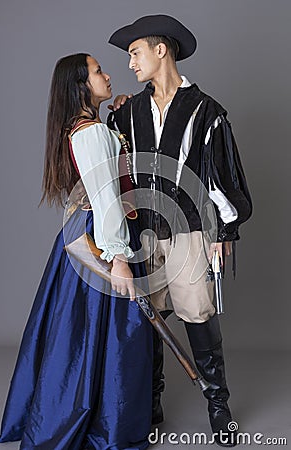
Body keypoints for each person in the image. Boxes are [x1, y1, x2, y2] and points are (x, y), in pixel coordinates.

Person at [107, 15, 252, 447]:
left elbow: (221, 176)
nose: (130, 64)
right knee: (150, 320)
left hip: (190, 231)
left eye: (134, 53)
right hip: (144, 233)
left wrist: (224, 231)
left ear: (160, 50)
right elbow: (112, 164)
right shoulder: (129, 111)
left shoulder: (206, 111)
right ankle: (151, 403)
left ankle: (217, 403)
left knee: (199, 314)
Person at [0, 53, 153, 450]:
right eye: (99, 71)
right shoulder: (92, 133)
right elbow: (105, 200)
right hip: (102, 238)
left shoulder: (84, 128)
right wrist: (118, 259)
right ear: (82, 85)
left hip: (85, 235)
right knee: (115, 332)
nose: (107, 75)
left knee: (79, 332)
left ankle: (83, 409)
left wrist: (117, 117)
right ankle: (109, 424)